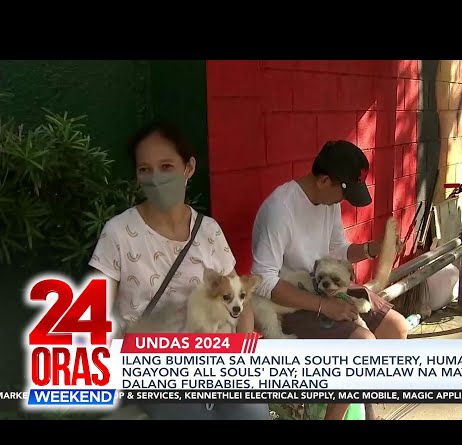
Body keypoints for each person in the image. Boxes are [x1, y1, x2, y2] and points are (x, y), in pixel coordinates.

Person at [89, 120, 270, 420]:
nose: (156, 178)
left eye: (166, 167)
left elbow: (241, 299)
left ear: (189, 168)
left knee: (253, 414)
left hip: (217, 363)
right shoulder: (118, 233)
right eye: (145, 169)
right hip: (152, 368)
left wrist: (242, 357)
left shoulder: (208, 231)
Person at [251, 140, 409, 420]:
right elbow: (263, 280)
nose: (343, 201)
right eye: (343, 193)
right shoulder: (280, 209)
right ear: (324, 180)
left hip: (328, 291)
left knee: (397, 329)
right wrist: (324, 306)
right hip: (289, 303)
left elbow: (338, 250)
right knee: (364, 346)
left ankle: (362, 409)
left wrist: (374, 247)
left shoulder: (328, 201)